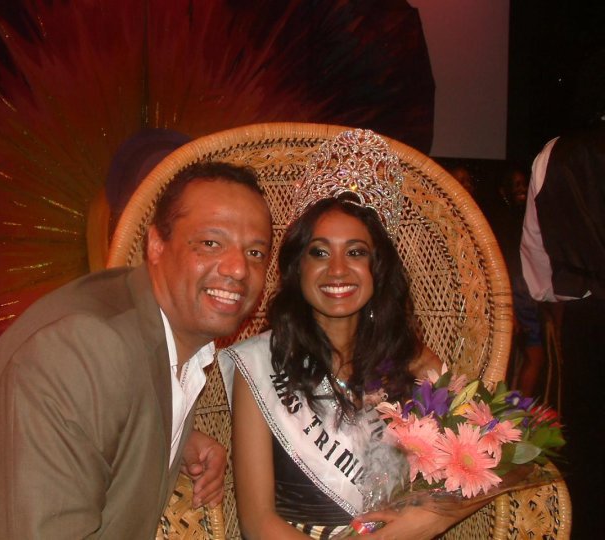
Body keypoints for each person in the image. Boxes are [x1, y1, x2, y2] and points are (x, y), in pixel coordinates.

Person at [0, 161, 273, 538]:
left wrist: (174, 436)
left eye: (255, 253)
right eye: (210, 243)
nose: (238, 268)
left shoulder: (164, 334)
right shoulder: (83, 347)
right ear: (156, 245)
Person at [225, 130, 479, 539]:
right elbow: (258, 523)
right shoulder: (259, 363)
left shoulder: (411, 358)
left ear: (377, 269)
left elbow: (494, 453)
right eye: (319, 252)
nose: (338, 269)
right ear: (298, 268)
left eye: (356, 252)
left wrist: (430, 519)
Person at [520, 123, 605, 538]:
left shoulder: (555, 154)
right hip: (588, 313)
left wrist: (553, 292)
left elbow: (535, 246)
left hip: (589, 315)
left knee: (590, 441)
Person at [486, 165, 545, 396]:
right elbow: (506, 265)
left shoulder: (526, 217)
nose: (521, 189)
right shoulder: (505, 221)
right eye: (515, 185)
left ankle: (515, 410)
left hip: (525, 292)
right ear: (504, 191)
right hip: (517, 294)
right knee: (531, 357)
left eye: (524, 184)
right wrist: (509, 307)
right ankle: (516, 411)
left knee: (527, 358)